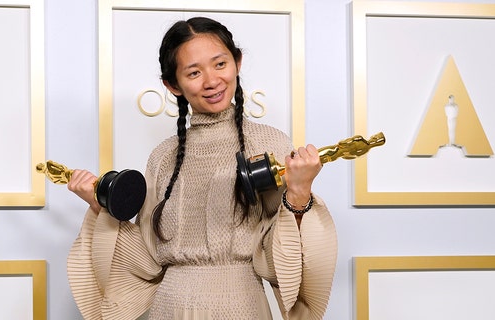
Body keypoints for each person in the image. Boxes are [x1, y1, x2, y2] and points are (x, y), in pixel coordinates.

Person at [66, 17, 337, 319]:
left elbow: (284, 252)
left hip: (241, 305)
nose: (211, 81)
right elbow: (145, 256)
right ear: (172, 85)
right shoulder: (162, 156)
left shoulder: (269, 142)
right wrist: (98, 204)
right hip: (169, 306)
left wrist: (300, 192)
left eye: (220, 64)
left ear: (237, 62)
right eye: (194, 72)